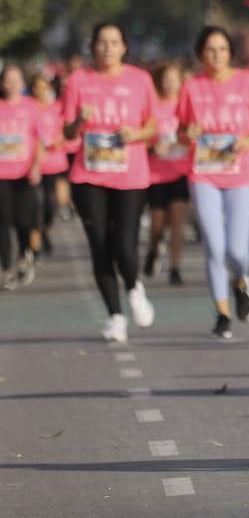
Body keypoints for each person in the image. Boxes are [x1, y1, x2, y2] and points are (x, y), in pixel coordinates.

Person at [62, 23, 158, 342]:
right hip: (89, 176)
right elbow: (66, 132)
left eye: (114, 42)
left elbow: (153, 125)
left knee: (124, 246)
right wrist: (80, 121)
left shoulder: (140, 80)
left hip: (130, 175)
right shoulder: (78, 80)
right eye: (102, 42)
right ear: (92, 47)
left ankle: (133, 286)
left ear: (124, 47)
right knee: (100, 245)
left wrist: (137, 134)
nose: (108, 48)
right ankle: (115, 316)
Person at [178, 26, 249, 340]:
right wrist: (187, 134)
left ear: (231, 52)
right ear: (200, 54)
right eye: (210, 50)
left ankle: (241, 281)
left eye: (222, 49)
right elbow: (181, 130)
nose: (216, 55)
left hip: (241, 171)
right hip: (204, 170)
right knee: (214, 246)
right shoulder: (192, 86)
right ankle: (222, 313)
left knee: (236, 249)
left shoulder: (246, 82)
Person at [145, 63, 191, 286]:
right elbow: (143, 135)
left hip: (182, 172)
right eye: (167, 79)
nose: (171, 83)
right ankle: (153, 249)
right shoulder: (152, 106)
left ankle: (175, 267)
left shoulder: (187, 106)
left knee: (177, 222)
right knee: (157, 224)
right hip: (156, 173)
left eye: (175, 79)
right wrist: (154, 147)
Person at [0, 66, 44, 290]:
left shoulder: (32, 107)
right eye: (8, 79)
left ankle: (24, 253)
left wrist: (36, 166)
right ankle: (5, 268)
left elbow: (39, 141)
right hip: (2, 174)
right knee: (3, 222)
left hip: (25, 173)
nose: (12, 83)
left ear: (23, 83)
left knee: (24, 220)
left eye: (16, 80)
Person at [29, 72, 67, 259]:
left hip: (55, 164)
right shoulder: (27, 108)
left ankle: (45, 231)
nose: (41, 91)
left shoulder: (57, 108)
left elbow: (66, 131)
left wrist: (58, 140)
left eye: (44, 87)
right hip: (32, 166)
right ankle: (34, 244)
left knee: (53, 206)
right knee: (35, 206)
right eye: (37, 87)